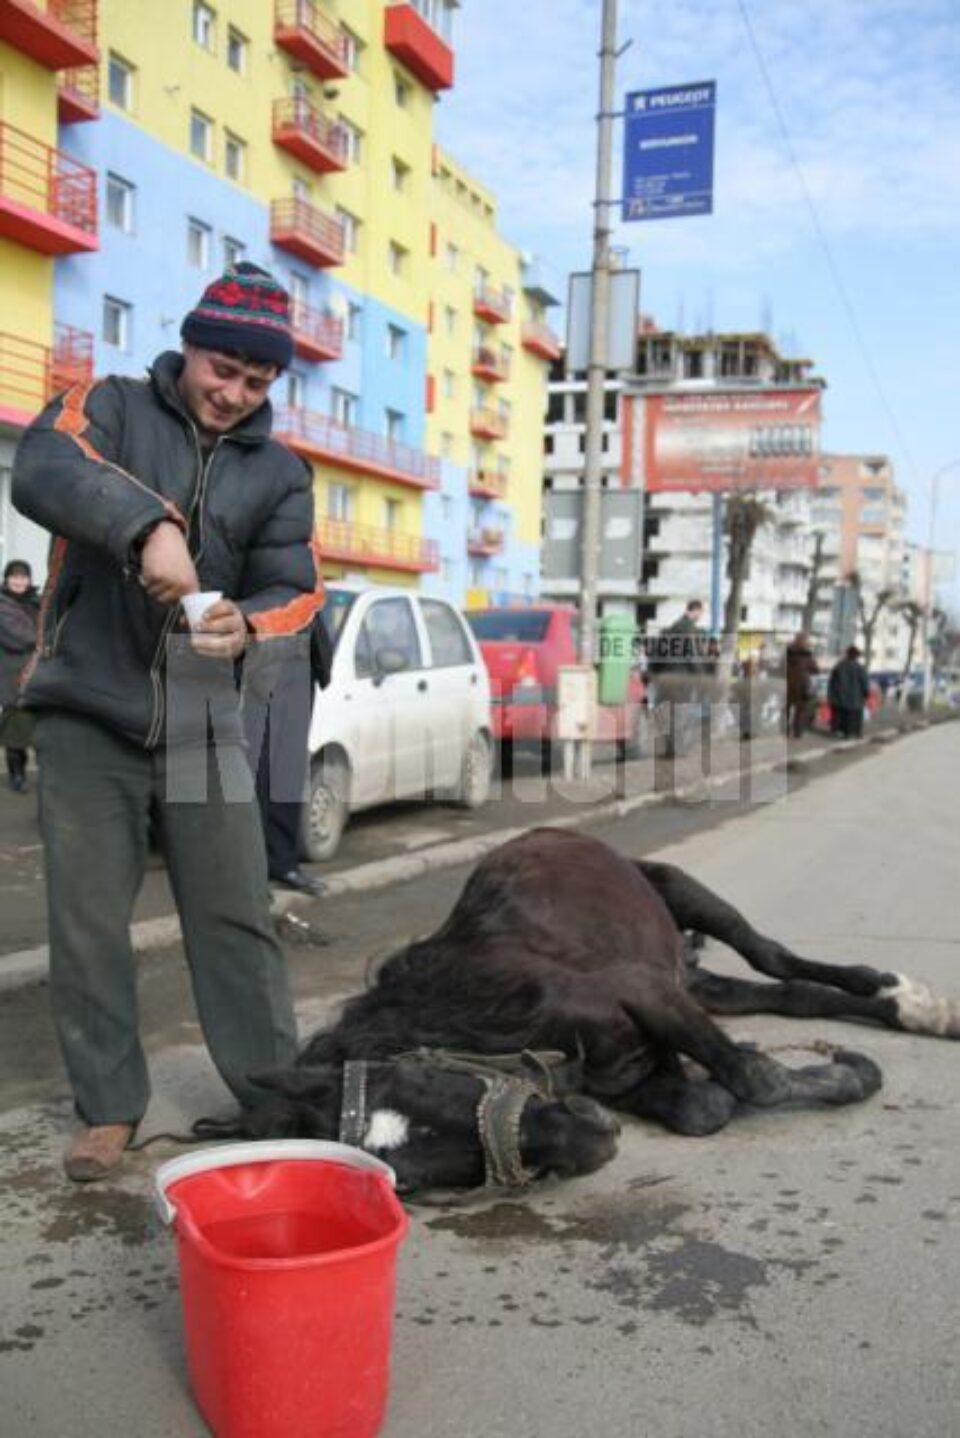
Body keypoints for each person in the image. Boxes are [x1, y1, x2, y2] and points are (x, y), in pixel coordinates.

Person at [12, 261, 323, 1182]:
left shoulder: (281, 471)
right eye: (221, 368)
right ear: (189, 347)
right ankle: (109, 1107)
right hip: (87, 709)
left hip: (202, 719)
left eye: (256, 381)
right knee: (89, 924)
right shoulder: (104, 408)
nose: (232, 393)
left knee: (236, 916)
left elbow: (297, 593)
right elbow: (43, 469)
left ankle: (274, 1095)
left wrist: (250, 625)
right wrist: (149, 525)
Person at [243, 609, 333, 896]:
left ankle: (283, 864)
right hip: (261, 666)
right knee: (259, 776)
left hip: (300, 663)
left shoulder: (304, 568)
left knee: (288, 772)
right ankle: (251, 875)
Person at [0, 559, 40, 791]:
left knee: (36, 728)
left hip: (38, 674)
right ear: (6, 579)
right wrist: (43, 638)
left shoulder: (36, 602)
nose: (19, 581)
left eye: (23, 577)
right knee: (15, 732)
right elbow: (20, 638)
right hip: (12, 675)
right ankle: (17, 775)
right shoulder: (2, 605)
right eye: (14, 577)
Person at [828, 645, 870, 738]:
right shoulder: (860, 668)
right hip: (856, 698)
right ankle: (853, 733)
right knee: (854, 716)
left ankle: (840, 731)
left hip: (840, 697)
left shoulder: (839, 666)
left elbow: (832, 682)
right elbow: (864, 683)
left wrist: (831, 695)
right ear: (857, 656)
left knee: (841, 715)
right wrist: (866, 694)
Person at [784, 631, 819, 738]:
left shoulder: (787, 652)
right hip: (802, 686)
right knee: (800, 710)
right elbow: (815, 670)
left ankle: (786, 731)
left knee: (786, 710)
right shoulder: (807, 655)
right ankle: (797, 733)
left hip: (788, 685)